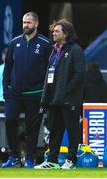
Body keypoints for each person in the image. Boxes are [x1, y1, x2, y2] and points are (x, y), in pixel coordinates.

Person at [1, 11, 52, 168]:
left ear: (36, 24)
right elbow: (7, 66)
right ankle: (14, 157)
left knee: (33, 127)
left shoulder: (45, 43)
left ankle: (30, 158)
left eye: (29, 22)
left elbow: (50, 69)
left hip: (35, 94)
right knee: (9, 120)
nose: (26, 25)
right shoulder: (14, 42)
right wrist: (6, 89)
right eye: (24, 22)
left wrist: (46, 92)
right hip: (14, 94)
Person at [34, 19, 86, 169]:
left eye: (57, 31)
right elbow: (48, 76)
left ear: (66, 33)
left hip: (69, 100)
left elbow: (80, 73)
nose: (53, 33)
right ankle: (52, 161)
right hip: (54, 99)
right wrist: (46, 97)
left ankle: (71, 161)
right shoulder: (54, 50)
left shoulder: (76, 50)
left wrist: (67, 90)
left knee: (72, 131)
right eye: (53, 31)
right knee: (55, 132)